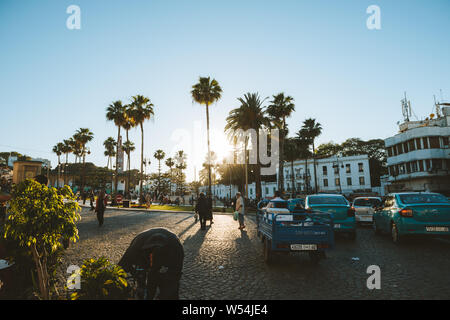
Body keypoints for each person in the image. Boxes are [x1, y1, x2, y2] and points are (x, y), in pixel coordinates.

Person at [118, 228, 184, 300]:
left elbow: (174, 277)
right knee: (143, 284)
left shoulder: (176, 249)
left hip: (168, 260)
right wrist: (129, 285)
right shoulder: (137, 245)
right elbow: (121, 267)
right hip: (143, 256)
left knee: (169, 292)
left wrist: (164, 295)